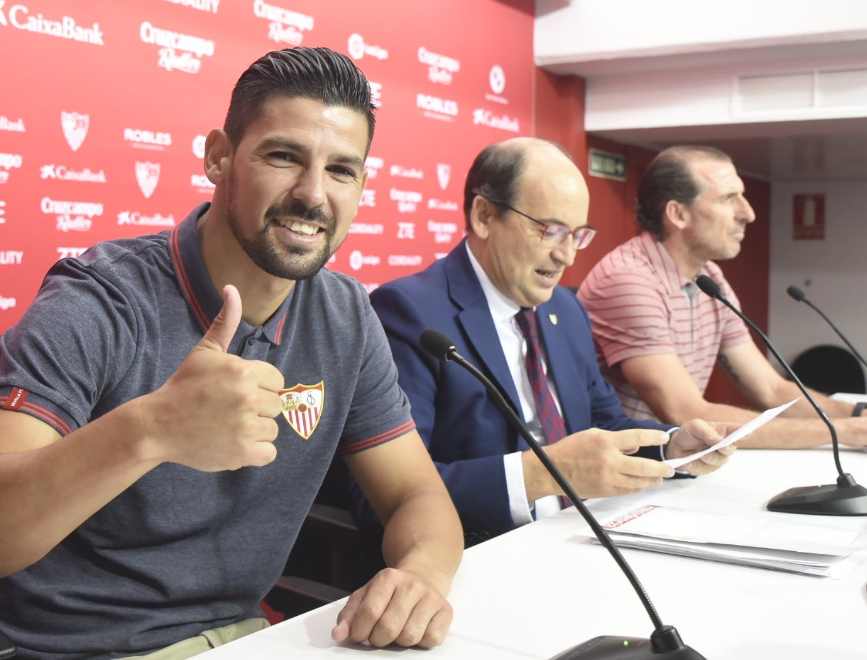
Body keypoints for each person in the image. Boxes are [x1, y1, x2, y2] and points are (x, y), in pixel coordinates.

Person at [0, 47, 462, 660]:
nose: (313, 194)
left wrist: (421, 575)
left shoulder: (347, 315)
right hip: (73, 654)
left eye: (342, 170)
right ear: (218, 156)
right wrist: (150, 431)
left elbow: (418, 496)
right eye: (283, 156)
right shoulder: (101, 299)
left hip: (246, 641)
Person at [350, 137, 734, 543]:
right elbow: (384, 496)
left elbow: (605, 427)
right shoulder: (410, 312)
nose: (567, 256)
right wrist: (543, 473)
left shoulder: (566, 310)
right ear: (484, 216)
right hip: (482, 551)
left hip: (582, 535)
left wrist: (671, 446)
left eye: (577, 235)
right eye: (550, 231)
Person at [577, 145, 867, 448]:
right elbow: (686, 412)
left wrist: (858, 415)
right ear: (678, 213)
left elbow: (769, 389)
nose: (748, 213)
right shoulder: (629, 280)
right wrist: (846, 432)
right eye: (729, 199)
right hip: (628, 468)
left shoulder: (710, 278)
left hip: (672, 461)